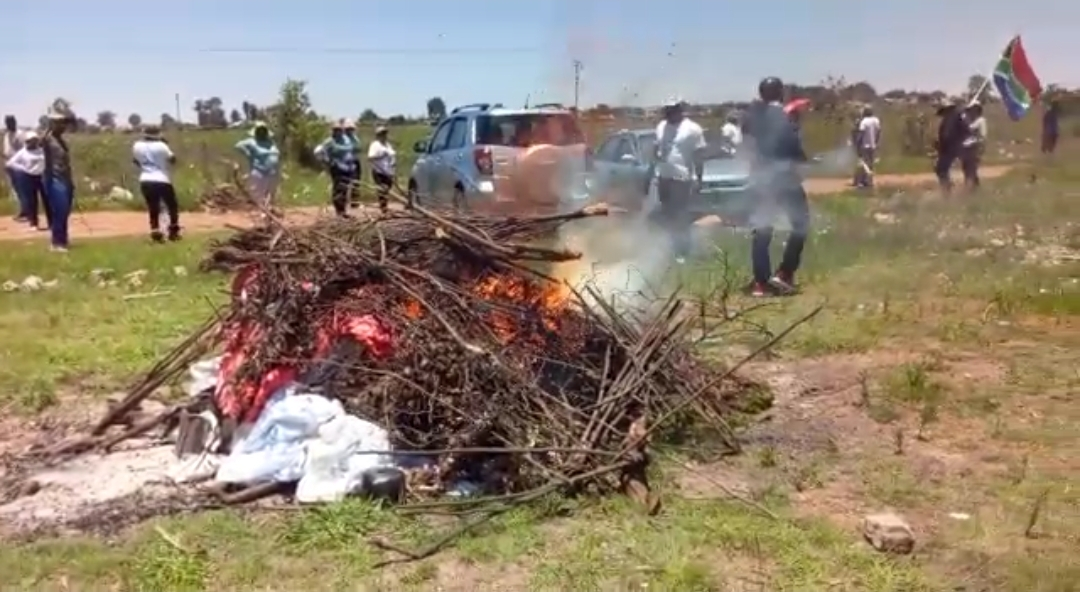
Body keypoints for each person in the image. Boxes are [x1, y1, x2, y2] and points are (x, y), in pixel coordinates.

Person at [741, 76, 810, 297]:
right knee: (801, 224)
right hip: (784, 177)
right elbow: (791, 145)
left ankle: (761, 283)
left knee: (762, 227)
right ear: (780, 92)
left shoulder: (752, 115)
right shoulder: (783, 114)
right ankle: (785, 273)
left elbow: (748, 142)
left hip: (761, 178)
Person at [653, 96, 706, 264]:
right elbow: (657, 146)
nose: (668, 114)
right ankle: (671, 247)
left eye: (672, 110)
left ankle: (683, 250)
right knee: (668, 214)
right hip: (664, 176)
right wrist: (656, 156)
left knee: (680, 215)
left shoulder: (693, 129)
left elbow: (699, 156)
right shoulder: (661, 126)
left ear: (679, 110)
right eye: (666, 111)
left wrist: (699, 177)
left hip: (682, 177)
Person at [133, 124, 180, 241]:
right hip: (162, 179)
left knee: (153, 206)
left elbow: (135, 161)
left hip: (145, 179)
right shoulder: (162, 146)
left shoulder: (137, 145)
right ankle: (173, 230)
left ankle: (155, 229)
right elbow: (172, 159)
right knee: (172, 205)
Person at [41, 111, 74, 252]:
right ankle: (56, 243)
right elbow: (40, 142)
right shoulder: (48, 138)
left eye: (64, 123)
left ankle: (63, 240)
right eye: (60, 122)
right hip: (54, 179)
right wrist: (48, 126)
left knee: (65, 211)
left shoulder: (61, 140)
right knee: (59, 210)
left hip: (65, 179)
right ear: (53, 123)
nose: (64, 126)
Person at [314, 119, 361, 217]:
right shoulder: (330, 141)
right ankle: (339, 211)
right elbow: (318, 152)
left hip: (348, 168)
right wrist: (326, 161)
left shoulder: (345, 139)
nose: (337, 132)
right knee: (338, 189)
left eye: (339, 129)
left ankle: (343, 210)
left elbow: (355, 147)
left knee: (345, 189)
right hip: (337, 168)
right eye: (335, 130)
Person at [234, 121, 281, 215]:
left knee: (271, 194)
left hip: (273, 172)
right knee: (259, 195)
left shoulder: (270, 142)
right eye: (259, 130)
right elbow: (238, 145)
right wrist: (247, 152)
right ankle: (262, 213)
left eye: (263, 130)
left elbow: (276, 153)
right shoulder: (252, 142)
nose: (262, 132)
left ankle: (269, 213)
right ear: (256, 131)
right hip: (259, 171)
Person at [5, 131, 48, 231]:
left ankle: (52, 222)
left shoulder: (42, 151)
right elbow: (10, 163)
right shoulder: (23, 152)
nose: (32, 143)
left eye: (34, 140)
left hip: (42, 176)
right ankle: (34, 223)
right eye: (30, 141)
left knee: (47, 199)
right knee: (32, 201)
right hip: (29, 177)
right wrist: (23, 168)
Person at [933, 100, 968, 195]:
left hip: (949, 148)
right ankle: (948, 187)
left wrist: (941, 145)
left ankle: (947, 190)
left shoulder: (950, 119)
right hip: (954, 147)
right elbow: (965, 131)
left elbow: (947, 135)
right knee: (942, 169)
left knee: (941, 169)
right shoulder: (957, 116)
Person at [368, 126, 396, 212]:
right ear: (378, 135)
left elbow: (392, 155)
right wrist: (381, 156)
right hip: (379, 171)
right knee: (382, 189)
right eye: (382, 134)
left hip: (388, 171)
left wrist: (393, 163)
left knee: (387, 189)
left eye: (385, 133)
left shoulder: (388, 145)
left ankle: (385, 206)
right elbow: (370, 157)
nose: (384, 135)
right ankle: (383, 207)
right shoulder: (375, 145)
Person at [3, 115, 26, 221]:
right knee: (15, 189)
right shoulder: (7, 135)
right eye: (7, 122)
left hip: (19, 165)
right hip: (9, 163)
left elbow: (24, 150)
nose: (8, 125)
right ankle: (22, 210)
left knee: (22, 188)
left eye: (10, 122)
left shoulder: (20, 134)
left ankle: (26, 210)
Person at [960, 102, 987, 190]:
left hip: (974, 146)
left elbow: (981, 135)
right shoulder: (970, 120)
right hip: (966, 147)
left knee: (971, 167)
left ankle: (972, 187)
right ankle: (972, 186)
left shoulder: (981, 120)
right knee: (966, 167)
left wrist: (980, 148)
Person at [854, 106, 882, 188]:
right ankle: (869, 181)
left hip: (864, 145)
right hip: (873, 145)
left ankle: (862, 181)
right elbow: (879, 131)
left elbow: (861, 133)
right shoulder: (876, 120)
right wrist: (876, 141)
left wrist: (857, 143)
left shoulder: (864, 122)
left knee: (864, 163)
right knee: (871, 163)